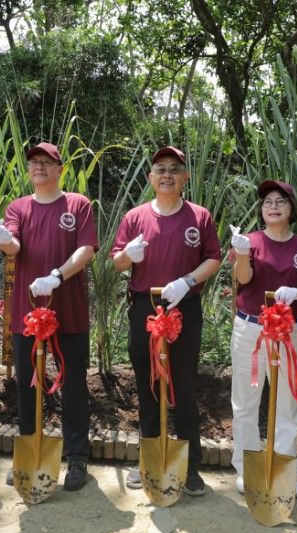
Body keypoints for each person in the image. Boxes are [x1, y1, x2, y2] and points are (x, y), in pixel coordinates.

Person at [0, 142, 97, 491]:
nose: (39, 167)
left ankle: (77, 456)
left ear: (59, 168)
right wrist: (4, 239)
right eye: (34, 162)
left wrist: (58, 275)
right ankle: (29, 450)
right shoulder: (18, 207)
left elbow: (87, 250)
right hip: (28, 311)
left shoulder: (77, 204)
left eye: (47, 162)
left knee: (75, 384)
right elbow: (14, 247)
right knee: (28, 385)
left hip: (70, 310)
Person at [112, 146, 221, 496]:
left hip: (183, 307)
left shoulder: (199, 216)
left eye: (175, 169)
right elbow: (116, 261)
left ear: (185, 176)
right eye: (161, 169)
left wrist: (188, 281)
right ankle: (150, 458)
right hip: (144, 307)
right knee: (146, 385)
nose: (167, 175)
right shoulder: (135, 216)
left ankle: (190, 467)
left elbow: (213, 259)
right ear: (151, 177)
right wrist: (128, 256)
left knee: (184, 386)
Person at [228, 180, 297, 498]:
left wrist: (296, 292)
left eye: (280, 200)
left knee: (287, 404)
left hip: (288, 330)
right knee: (245, 403)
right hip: (251, 329)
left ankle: (285, 469)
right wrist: (242, 253)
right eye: (267, 201)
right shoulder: (251, 241)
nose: (272, 205)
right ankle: (246, 468)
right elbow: (244, 279)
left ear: (291, 208)